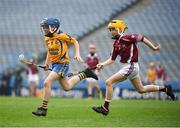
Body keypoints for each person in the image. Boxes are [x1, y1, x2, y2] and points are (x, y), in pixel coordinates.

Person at [92, 20, 175, 116]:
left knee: (108, 82)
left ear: (120, 29)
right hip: (130, 67)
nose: (111, 31)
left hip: (131, 66)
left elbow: (142, 38)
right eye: (110, 30)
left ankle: (105, 108)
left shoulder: (128, 38)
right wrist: (102, 64)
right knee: (141, 90)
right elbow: (112, 59)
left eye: (113, 29)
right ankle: (166, 89)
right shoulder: (115, 44)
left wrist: (154, 48)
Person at [32, 18, 98, 116]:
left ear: (53, 27)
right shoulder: (47, 38)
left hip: (62, 64)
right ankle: (85, 73)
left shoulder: (62, 35)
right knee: (67, 87)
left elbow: (75, 41)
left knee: (47, 82)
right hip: (55, 64)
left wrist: (77, 53)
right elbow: (49, 52)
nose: (44, 29)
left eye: (46, 27)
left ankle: (43, 108)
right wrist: (46, 64)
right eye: (44, 27)